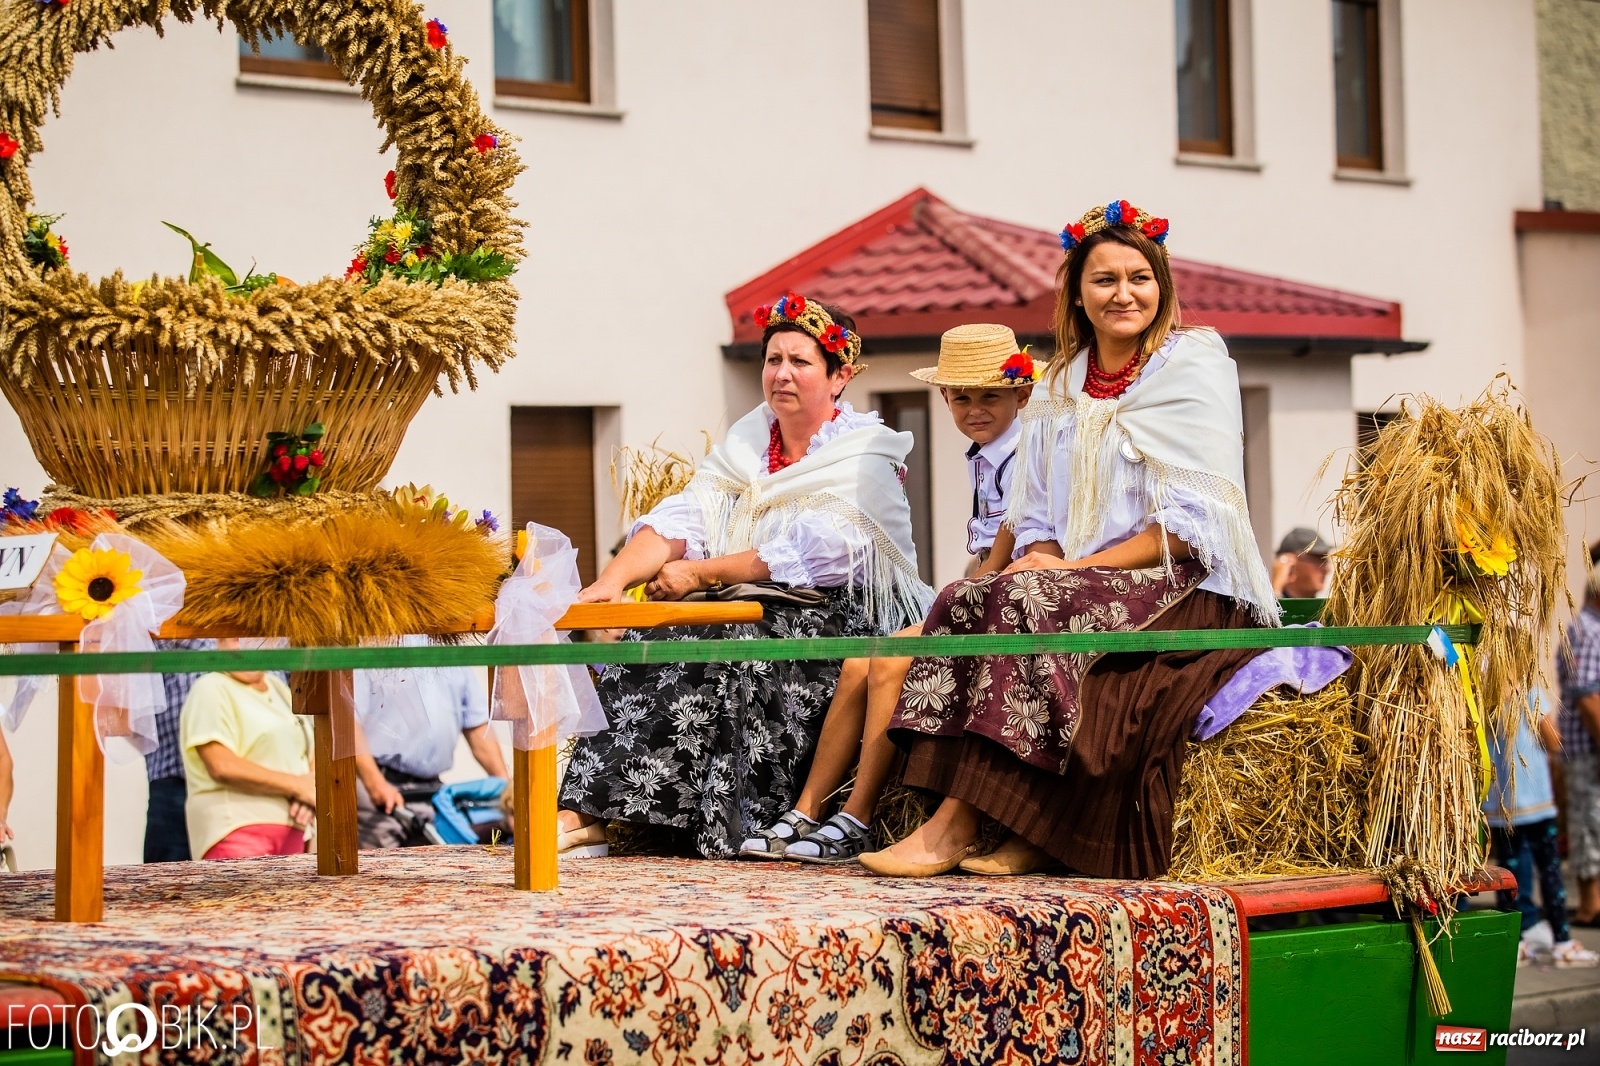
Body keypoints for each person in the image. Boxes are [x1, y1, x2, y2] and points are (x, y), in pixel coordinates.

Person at [861, 199, 1279, 879]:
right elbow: (1040, 516)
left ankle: (952, 829)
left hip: (1184, 583)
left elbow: (1187, 531)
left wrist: (1072, 569)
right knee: (970, 599)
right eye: (1105, 280)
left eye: (1139, 278)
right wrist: (1046, 555)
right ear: (1079, 295)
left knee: (1030, 598)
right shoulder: (1058, 384)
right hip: (1089, 575)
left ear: (1161, 286)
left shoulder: (1192, 370)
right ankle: (1021, 822)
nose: (1124, 294)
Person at [559, 295, 931, 859]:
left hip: (840, 616)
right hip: (756, 603)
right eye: (772, 359)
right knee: (649, 638)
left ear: (839, 377)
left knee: (734, 642)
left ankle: (733, 820)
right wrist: (611, 582)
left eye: (800, 362)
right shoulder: (747, 444)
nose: (781, 374)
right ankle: (594, 810)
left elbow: (827, 551)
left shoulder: (865, 455)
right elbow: (685, 517)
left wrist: (699, 575)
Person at [739, 322, 1034, 863]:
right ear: (944, 398)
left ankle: (858, 814)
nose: (975, 409)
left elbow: (1015, 550)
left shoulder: (1026, 457)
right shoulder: (986, 455)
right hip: (987, 591)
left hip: (1018, 602)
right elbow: (988, 550)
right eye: (961, 397)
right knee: (858, 663)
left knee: (889, 661)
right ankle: (807, 810)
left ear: (1023, 393)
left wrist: (961, 594)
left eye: (991, 395)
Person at [353, 645, 508, 849]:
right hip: (380, 793)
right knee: (375, 874)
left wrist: (506, 786)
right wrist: (375, 785)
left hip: (433, 792)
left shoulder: (451, 649)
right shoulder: (375, 644)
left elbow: (476, 725)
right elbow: (349, 721)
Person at [1486, 689, 1598, 966]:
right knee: (1550, 873)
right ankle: (1562, 942)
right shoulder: (1531, 691)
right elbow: (1551, 741)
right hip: (1537, 800)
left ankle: (1517, 943)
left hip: (1502, 804)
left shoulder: (1483, 692)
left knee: (1509, 877)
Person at [181, 663, 315, 860]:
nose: (244, 645)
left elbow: (310, 749)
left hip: (295, 832)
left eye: (252, 637)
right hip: (237, 830)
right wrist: (299, 787)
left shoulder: (279, 688)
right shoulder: (210, 686)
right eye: (235, 638)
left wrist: (311, 792)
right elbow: (222, 765)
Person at [143, 638, 211, 863]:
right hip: (175, 782)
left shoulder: (267, 633)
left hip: (257, 787)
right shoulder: (167, 629)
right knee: (165, 886)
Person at [1561, 561, 1600, 925]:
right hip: (1590, 748)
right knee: (1590, 822)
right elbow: (1588, 696)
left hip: (1590, 746)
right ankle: (1591, 905)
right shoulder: (1587, 631)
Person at [1271, 527, 1332, 599]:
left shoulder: (1322, 608)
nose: (1327, 569)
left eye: (1325, 561)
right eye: (1318, 560)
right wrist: (1276, 589)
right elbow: (1275, 610)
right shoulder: (1257, 606)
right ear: (1290, 564)